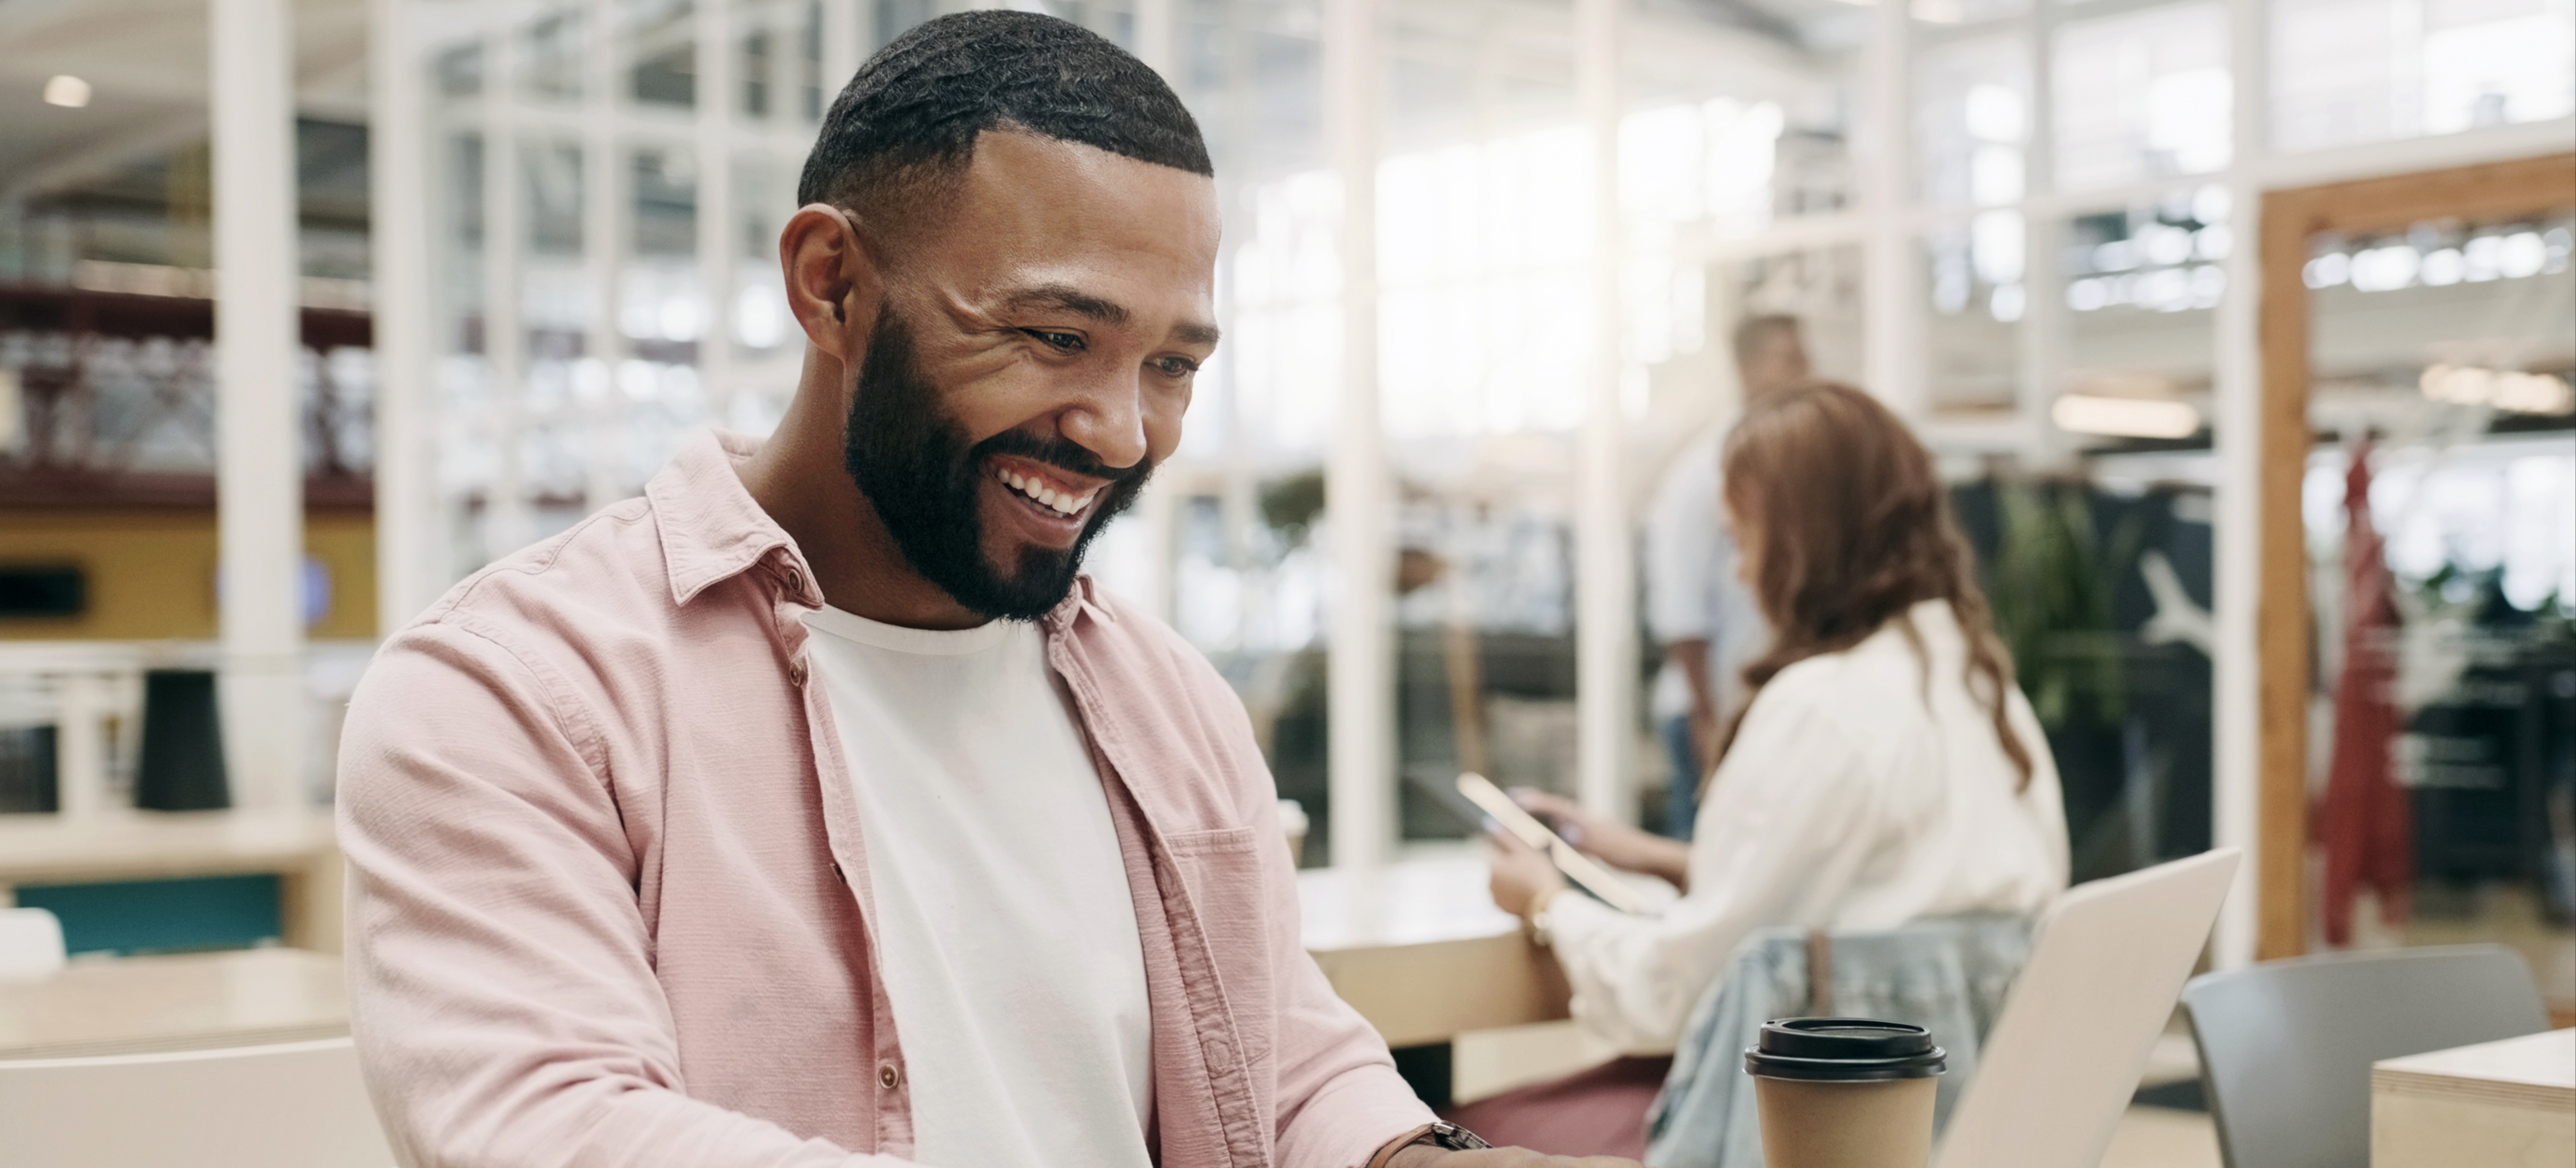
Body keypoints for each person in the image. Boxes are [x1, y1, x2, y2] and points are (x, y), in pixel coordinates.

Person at [338, 14, 1639, 1168]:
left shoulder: (1163, 697)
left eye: (1172, 364)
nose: (1122, 431)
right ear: (830, 283)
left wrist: (1421, 1154)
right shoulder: (511, 691)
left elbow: (1277, 1058)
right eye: (1055, 337)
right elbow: (550, 1123)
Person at [1463, 380, 2069, 1157]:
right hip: (1947, 1128)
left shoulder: (1816, 706)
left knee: (1433, 1124)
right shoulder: (1978, 683)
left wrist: (1547, 903)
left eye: (1742, 540)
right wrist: (1662, 857)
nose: (1742, 575)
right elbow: (1884, 897)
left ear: (1800, 541)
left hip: (1806, 1129)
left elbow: (1675, 994)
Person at [1643, 314, 1809, 839]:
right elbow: (1681, 609)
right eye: (1790, 360)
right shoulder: (1705, 473)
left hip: (1760, 708)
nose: (1804, 373)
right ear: (1747, 368)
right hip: (1710, 708)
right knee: (1708, 864)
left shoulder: (1787, 460)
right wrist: (1706, 719)